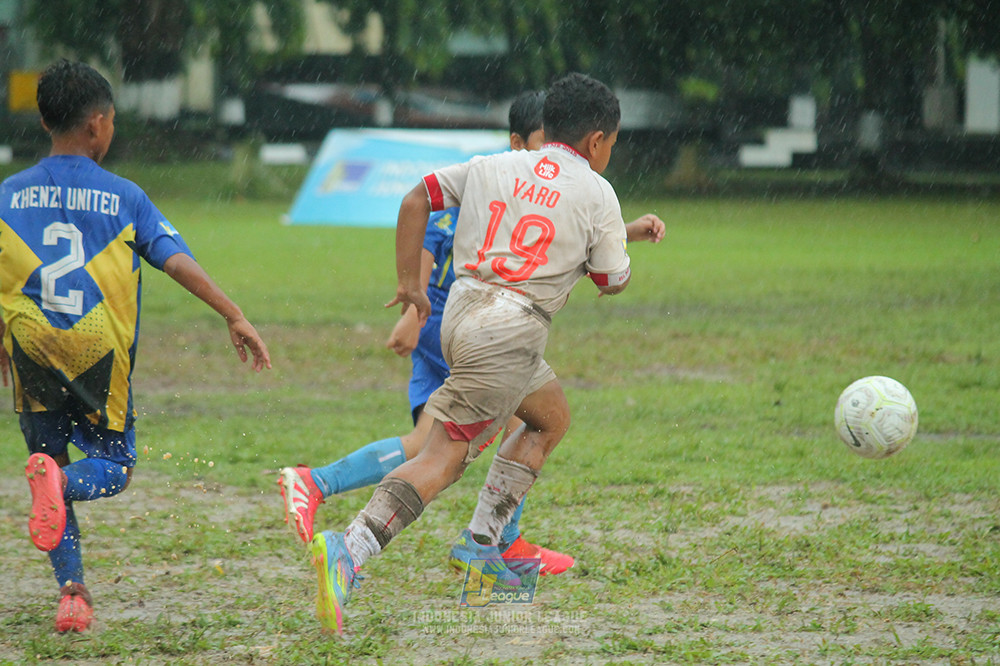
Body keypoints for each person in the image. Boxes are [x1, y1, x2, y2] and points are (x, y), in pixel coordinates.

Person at [309, 72, 656, 635]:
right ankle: (350, 549)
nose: (609, 154)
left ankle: (481, 547)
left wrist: (411, 285)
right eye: (611, 145)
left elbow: (416, 197)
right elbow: (612, 277)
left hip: (462, 314)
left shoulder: (494, 164)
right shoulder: (596, 190)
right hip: (511, 331)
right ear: (596, 140)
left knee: (549, 419)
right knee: (441, 459)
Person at [0, 59, 271, 633]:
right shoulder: (124, 196)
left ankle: (72, 592)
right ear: (97, 124)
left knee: (48, 459)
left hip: (28, 346)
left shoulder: (7, 194)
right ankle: (61, 488)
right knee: (114, 467)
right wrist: (234, 313)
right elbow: (174, 260)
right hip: (97, 355)